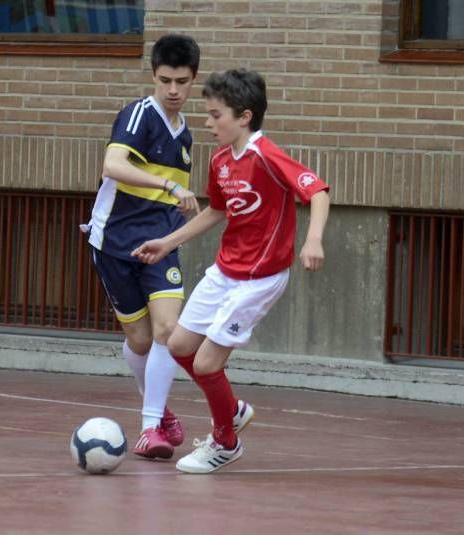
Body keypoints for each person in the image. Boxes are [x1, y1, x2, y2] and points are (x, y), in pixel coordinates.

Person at [132, 68, 331, 473]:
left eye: (215, 115)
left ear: (244, 116)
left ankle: (226, 441)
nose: (207, 123)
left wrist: (313, 240)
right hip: (224, 272)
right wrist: (168, 243)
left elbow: (317, 190)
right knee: (180, 346)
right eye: (206, 114)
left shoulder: (266, 155)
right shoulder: (222, 160)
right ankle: (231, 408)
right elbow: (217, 211)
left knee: (207, 364)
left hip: (259, 280)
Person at [84, 34, 201, 459]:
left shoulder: (185, 134)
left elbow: (171, 193)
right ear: (153, 75)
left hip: (159, 244)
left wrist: (177, 209)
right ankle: (161, 410)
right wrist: (167, 183)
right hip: (114, 241)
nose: (173, 90)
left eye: (182, 82)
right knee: (139, 340)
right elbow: (113, 165)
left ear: (193, 81)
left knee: (168, 331)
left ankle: (150, 428)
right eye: (166, 80)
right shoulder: (139, 115)